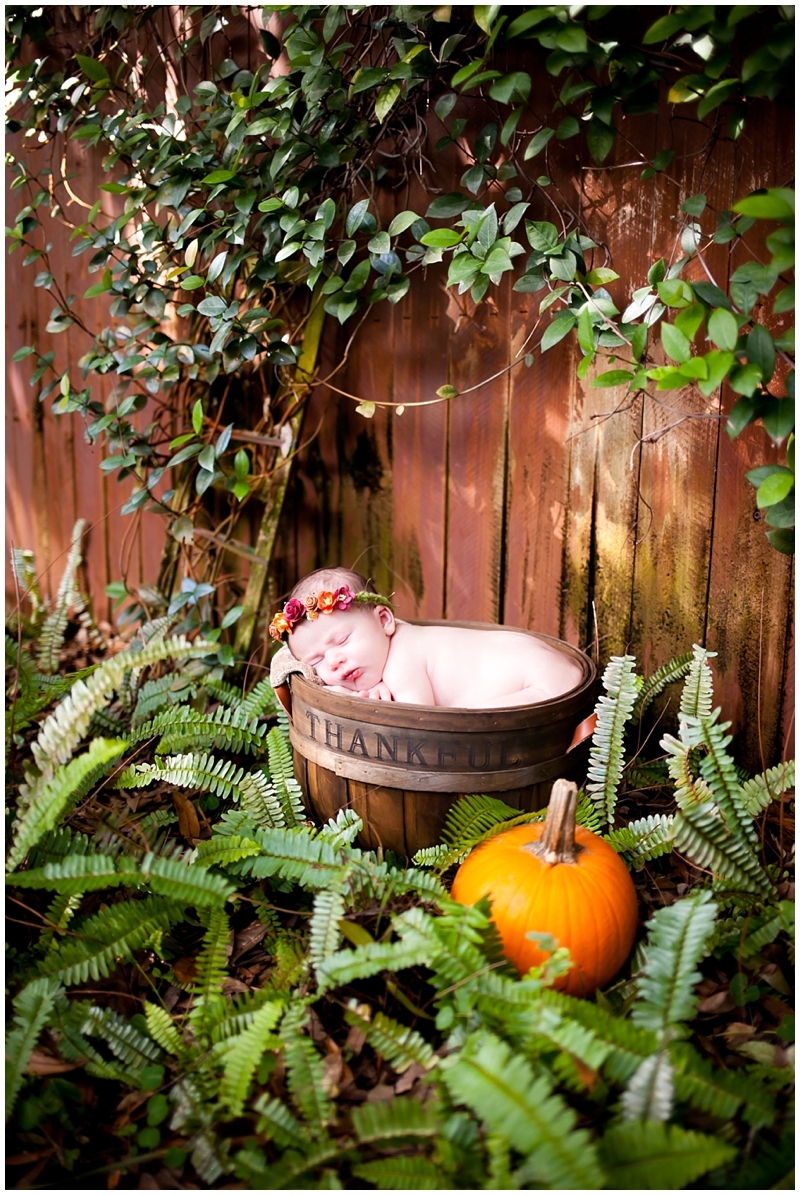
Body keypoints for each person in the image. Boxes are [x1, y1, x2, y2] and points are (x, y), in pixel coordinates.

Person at [269, 567, 583, 708]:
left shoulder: (402, 659)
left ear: (384, 620)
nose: (336, 661)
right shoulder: (390, 647)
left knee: (475, 726)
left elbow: (417, 726)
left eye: (342, 641)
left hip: (545, 685)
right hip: (548, 665)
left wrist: (359, 698)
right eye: (317, 661)